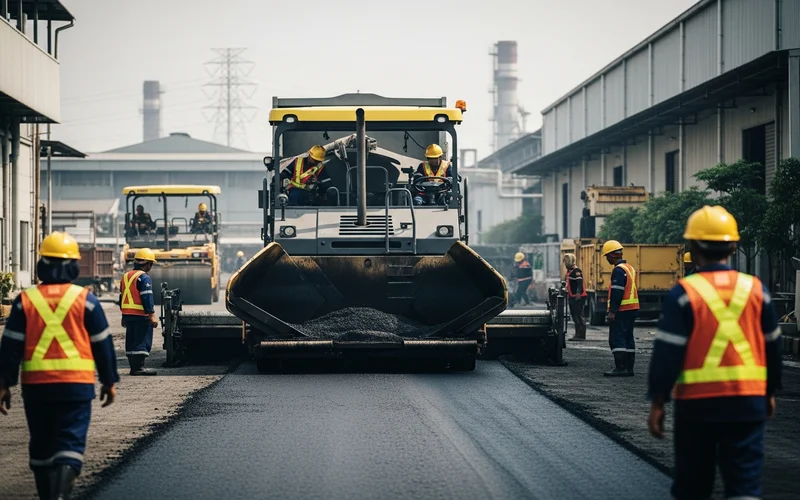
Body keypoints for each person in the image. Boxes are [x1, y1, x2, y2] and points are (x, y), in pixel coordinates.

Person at [647, 205, 782, 500]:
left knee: (693, 487)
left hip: (697, 408)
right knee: (744, 486)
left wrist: (658, 401)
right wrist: (769, 391)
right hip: (747, 404)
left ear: (692, 247)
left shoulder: (683, 293)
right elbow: (773, 347)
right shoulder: (756, 290)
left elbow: (667, 354)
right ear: (734, 246)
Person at [0, 231, 119, 499]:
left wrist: (4, 383)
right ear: (74, 266)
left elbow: (10, 346)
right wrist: (109, 381)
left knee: (41, 446)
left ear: (41, 264)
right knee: (70, 443)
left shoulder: (24, 301)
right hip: (76, 388)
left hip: (36, 389)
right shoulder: (86, 300)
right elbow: (102, 344)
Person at [118, 248, 159, 376]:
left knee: (131, 340)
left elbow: (121, 297)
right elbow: (147, 297)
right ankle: (138, 368)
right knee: (142, 340)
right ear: (147, 263)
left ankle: (133, 367)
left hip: (128, 315)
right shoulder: (144, 278)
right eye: (151, 264)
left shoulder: (125, 276)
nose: (150, 267)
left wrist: (123, 315)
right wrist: (151, 315)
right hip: (141, 316)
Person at [602, 240, 639, 376]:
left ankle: (621, 368)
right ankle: (629, 368)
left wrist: (612, 312)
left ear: (612, 255)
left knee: (617, 338)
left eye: (607, 256)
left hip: (622, 310)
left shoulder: (618, 270)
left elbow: (617, 292)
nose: (606, 259)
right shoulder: (629, 268)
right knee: (628, 337)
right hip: (632, 308)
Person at [564, 253, 587, 341]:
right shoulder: (569, 272)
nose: (565, 264)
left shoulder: (577, 271)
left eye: (566, 261)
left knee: (578, 315)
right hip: (572, 296)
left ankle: (581, 334)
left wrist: (578, 293)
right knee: (574, 315)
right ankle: (577, 333)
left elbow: (579, 283)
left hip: (578, 297)